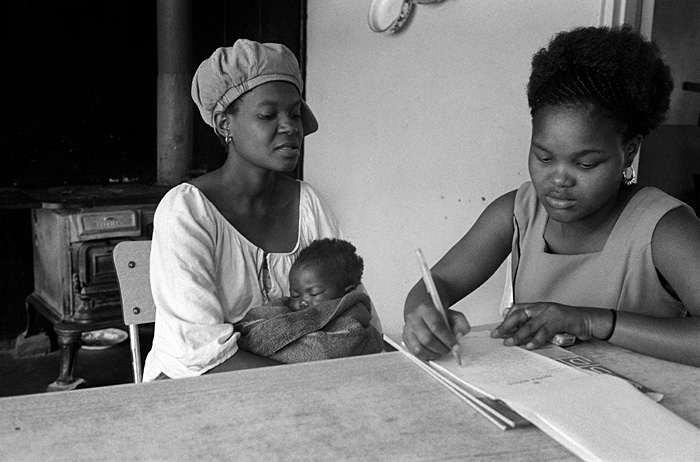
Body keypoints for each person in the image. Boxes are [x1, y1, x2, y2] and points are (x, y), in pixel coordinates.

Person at [403, 26, 700, 367]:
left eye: (585, 164)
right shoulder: (517, 213)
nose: (558, 180)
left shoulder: (665, 230)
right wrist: (424, 316)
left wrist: (591, 321)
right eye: (543, 157)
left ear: (629, 152)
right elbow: (439, 281)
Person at [143, 39, 381, 381]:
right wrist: (316, 386)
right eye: (268, 115)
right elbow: (201, 356)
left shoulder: (308, 205)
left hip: (306, 385)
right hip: (202, 389)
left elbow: (354, 309)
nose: (290, 127)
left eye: (295, 114)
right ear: (225, 124)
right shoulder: (187, 212)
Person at [234, 238, 384, 363]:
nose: (303, 302)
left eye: (314, 293)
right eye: (295, 295)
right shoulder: (284, 309)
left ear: (348, 293)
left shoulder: (352, 320)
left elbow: (327, 352)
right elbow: (252, 326)